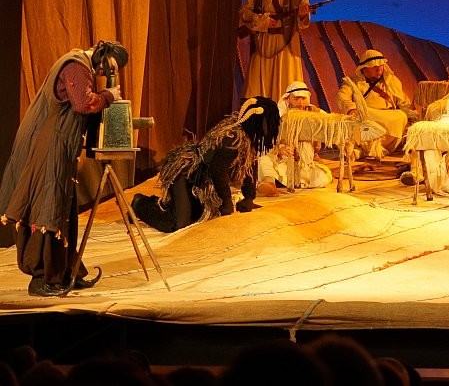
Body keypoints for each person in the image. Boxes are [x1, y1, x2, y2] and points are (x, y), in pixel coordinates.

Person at [0, 40, 127, 297]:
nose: (105, 73)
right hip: (52, 147)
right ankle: (41, 278)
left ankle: (67, 272)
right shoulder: (76, 66)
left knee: (63, 211)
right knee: (49, 210)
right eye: (108, 67)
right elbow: (83, 103)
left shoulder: (81, 66)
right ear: (101, 55)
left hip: (61, 146)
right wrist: (109, 96)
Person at [131, 97, 281, 233]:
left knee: (196, 216)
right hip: (185, 173)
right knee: (179, 223)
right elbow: (218, 170)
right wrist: (226, 200)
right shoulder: (232, 137)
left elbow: (248, 167)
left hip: (202, 181)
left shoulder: (248, 139)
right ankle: (140, 203)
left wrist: (249, 197)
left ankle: (168, 205)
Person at [239, 0, 311, 101]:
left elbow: (303, 23)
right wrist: (263, 21)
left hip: (287, 43)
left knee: (287, 82)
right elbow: (245, 13)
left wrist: (302, 14)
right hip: (263, 43)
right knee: (258, 88)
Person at [256, 82, 333, 196]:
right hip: (283, 162)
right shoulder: (277, 115)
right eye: (296, 99)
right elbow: (265, 139)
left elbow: (332, 122)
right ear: (288, 99)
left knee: (324, 176)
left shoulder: (314, 113)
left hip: (305, 164)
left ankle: (295, 181)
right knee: (264, 158)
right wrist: (280, 149)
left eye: (303, 98)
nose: (300, 103)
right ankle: (269, 183)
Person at [337, 49, 415, 160]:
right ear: (364, 68)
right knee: (363, 114)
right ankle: (365, 150)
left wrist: (413, 116)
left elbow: (403, 102)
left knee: (402, 116)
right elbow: (342, 97)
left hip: (389, 118)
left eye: (381, 65)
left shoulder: (390, 82)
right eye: (374, 66)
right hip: (367, 116)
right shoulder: (353, 82)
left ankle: (365, 152)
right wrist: (351, 109)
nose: (379, 69)